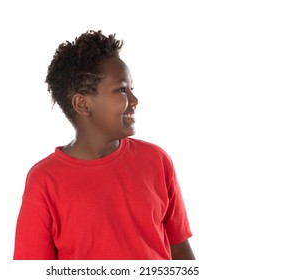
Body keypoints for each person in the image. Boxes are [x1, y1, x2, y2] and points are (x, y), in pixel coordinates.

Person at [13, 30, 195, 260]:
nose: (134, 100)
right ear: (82, 103)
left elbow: (180, 251)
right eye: (121, 89)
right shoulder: (44, 180)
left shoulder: (156, 160)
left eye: (131, 89)